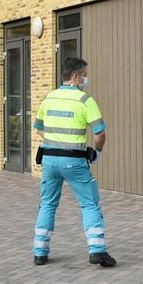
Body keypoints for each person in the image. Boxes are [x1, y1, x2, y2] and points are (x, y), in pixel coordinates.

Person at [31, 56, 115, 268]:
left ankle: (40, 252)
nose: (86, 79)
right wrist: (97, 152)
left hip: (49, 160)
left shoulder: (49, 98)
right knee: (89, 203)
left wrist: (56, 140)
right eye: (85, 75)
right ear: (75, 77)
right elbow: (100, 133)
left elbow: (39, 128)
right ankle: (97, 250)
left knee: (48, 204)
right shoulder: (85, 100)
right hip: (74, 162)